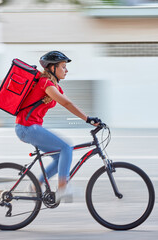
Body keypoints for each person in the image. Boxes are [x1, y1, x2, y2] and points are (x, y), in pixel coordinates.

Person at [14, 51, 101, 202]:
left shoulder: (54, 87)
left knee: (60, 156)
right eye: (63, 66)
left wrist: (90, 118)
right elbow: (67, 104)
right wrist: (88, 119)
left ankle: (34, 187)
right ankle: (63, 188)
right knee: (66, 147)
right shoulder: (44, 83)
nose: (66, 70)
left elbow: (70, 102)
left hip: (30, 128)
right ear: (52, 68)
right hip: (26, 128)